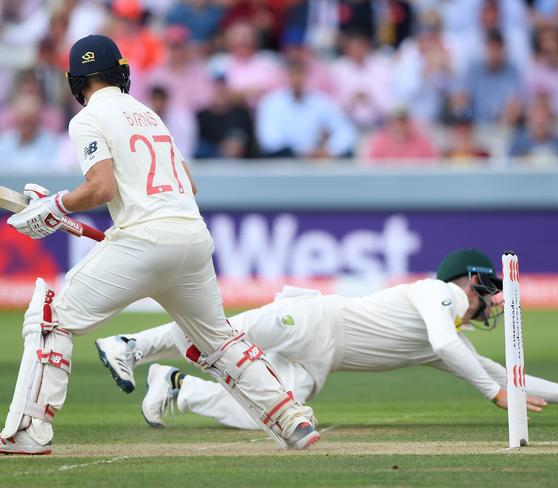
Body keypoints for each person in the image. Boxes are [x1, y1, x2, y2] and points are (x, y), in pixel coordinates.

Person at [0, 34, 319, 455]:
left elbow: (100, 188)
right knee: (219, 341)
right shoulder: (149, 115)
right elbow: (189, 183)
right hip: (191, 235)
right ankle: (291, 419)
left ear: (75, 83)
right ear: (123, 72)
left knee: (51, 318)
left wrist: (55, 205)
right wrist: (64, 206)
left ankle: (28, 432)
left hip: (145, 240)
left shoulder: (86, 119)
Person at [95, 249, 558, 431]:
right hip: (312, 321)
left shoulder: (446, 334)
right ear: (469, 280)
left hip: (319, 360)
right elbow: (469, 365)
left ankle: (176, 387)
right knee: (222, 334)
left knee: (270, 409)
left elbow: (491, 370)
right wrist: (494, 394)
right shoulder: (441, 295)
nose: (495, 300)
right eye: (492, 288)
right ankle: (130, 346)